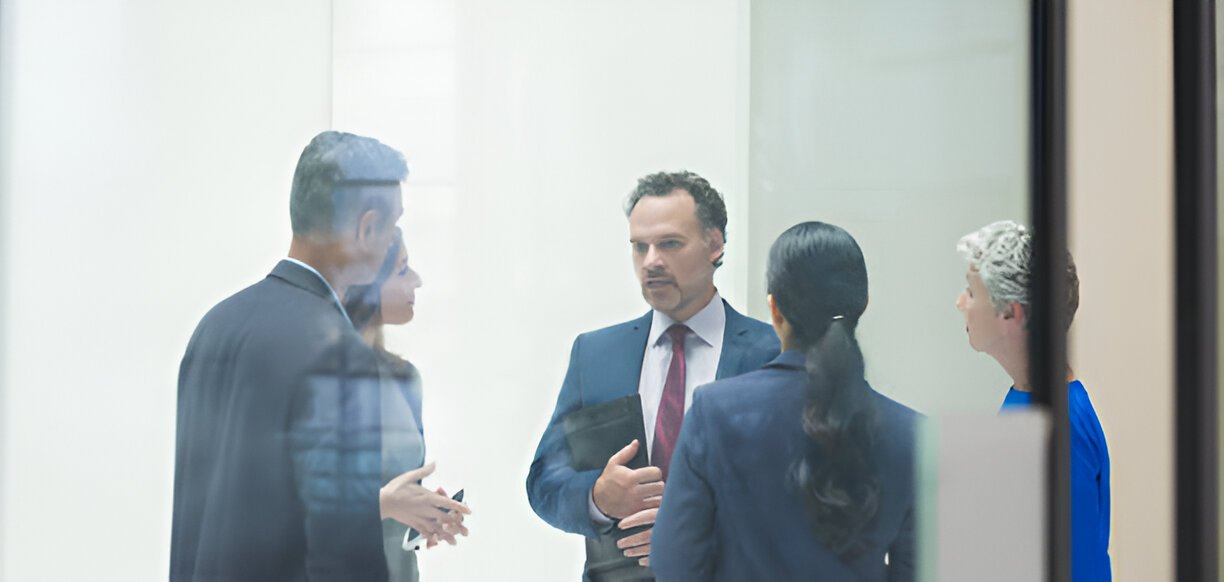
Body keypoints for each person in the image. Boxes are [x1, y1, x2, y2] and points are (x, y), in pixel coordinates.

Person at [170, 131, 469, 582]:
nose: (392, 242)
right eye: (391, 228)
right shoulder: (337, 351)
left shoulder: (214, 327)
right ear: (367, 229)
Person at [526, 170, 780, 579]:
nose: (651, 262)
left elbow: (807, 494)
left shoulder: (774, 354)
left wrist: (704, 527)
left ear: (714, 244)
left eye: (669, 244)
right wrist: (598, 496)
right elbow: (544, 481)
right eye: (639, 247)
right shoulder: (594, 355)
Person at [649, 221, 920, 581]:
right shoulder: (914, 433)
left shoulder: (714, 413)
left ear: (774, 309)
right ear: (862, 305)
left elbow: (675, 565)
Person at [955, 220, 1111, 581]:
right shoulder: (1027, 400)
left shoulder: (1060, 423)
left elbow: (1077, 567)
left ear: (1011, 313)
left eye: (971, 292)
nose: (960, 303)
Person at [342, 230, 463, 581]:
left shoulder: (404, 378)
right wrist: (382, 505)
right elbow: (292, 510)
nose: (418, 280)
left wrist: (426, 512)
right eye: (403, 270)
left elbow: (401, 491)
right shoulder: (318, 379)